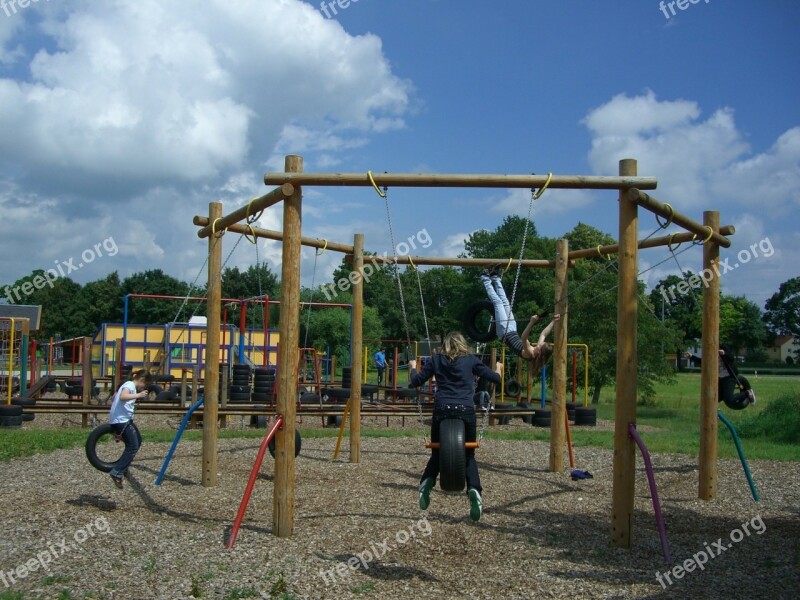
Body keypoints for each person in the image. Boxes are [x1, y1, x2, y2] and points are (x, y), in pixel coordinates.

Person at [408, 331, 503, 522]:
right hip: (465, 410)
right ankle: (474, 490)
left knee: (437, 453)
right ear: (462, 344)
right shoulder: (471, 360)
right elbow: (495, 378)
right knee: (468, 455)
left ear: (445, 345)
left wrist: (412, 367)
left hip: (442, 409)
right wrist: (499, 368)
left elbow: (415, 382)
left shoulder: (436, 359)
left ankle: (426, 483)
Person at [479, 268, 560, 370]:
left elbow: (523, 338)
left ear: (540, 352)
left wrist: (531, 323)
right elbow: (543, 334)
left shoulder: (530, 354)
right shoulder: (537, 349)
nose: (540, 344)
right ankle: (495, 277)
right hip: (512, 329)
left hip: (504, 332)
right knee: (505, 302)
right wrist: (553, 322)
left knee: (498, 303)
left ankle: (484, 278)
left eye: (541, 345)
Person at [107, 369, 152, 488]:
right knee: (133, 446)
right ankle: (117, 472)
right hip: (121, 421)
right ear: (142, 380)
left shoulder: (127, 385)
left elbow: (116, 397)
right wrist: (139, 395)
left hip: (123, 419)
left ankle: (123, 466)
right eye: (145, 384)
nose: (143, 387)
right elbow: (122, 397)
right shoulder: (130, 385)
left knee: (138, 440)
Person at [685, 344, 756, 409]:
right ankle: (715, 414)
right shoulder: (710, 354)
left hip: (729, 377)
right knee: (715, 399)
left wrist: (724, 353)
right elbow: (703, 362)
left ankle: (747, 393)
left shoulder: (723, 347)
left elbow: (731, 358)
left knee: (729, 399)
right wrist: (691, 356)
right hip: (720, 379)